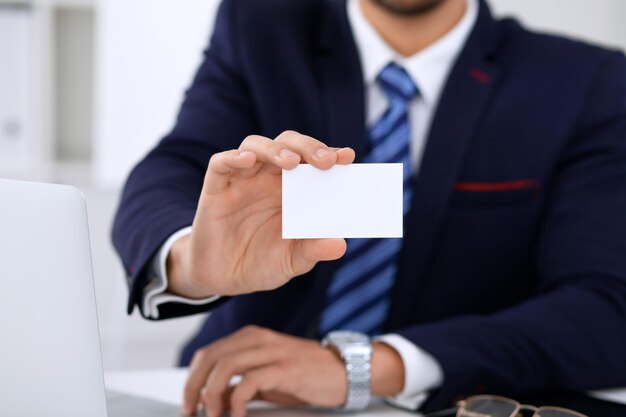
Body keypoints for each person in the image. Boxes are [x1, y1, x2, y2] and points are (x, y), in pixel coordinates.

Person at [112, 0, 626, 416]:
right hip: (244, 395)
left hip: (448, 400)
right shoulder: (260, 29)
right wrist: (193, 258)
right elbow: (169, 171)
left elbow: (606, 306)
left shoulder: (583, 81)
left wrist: (369, 365)